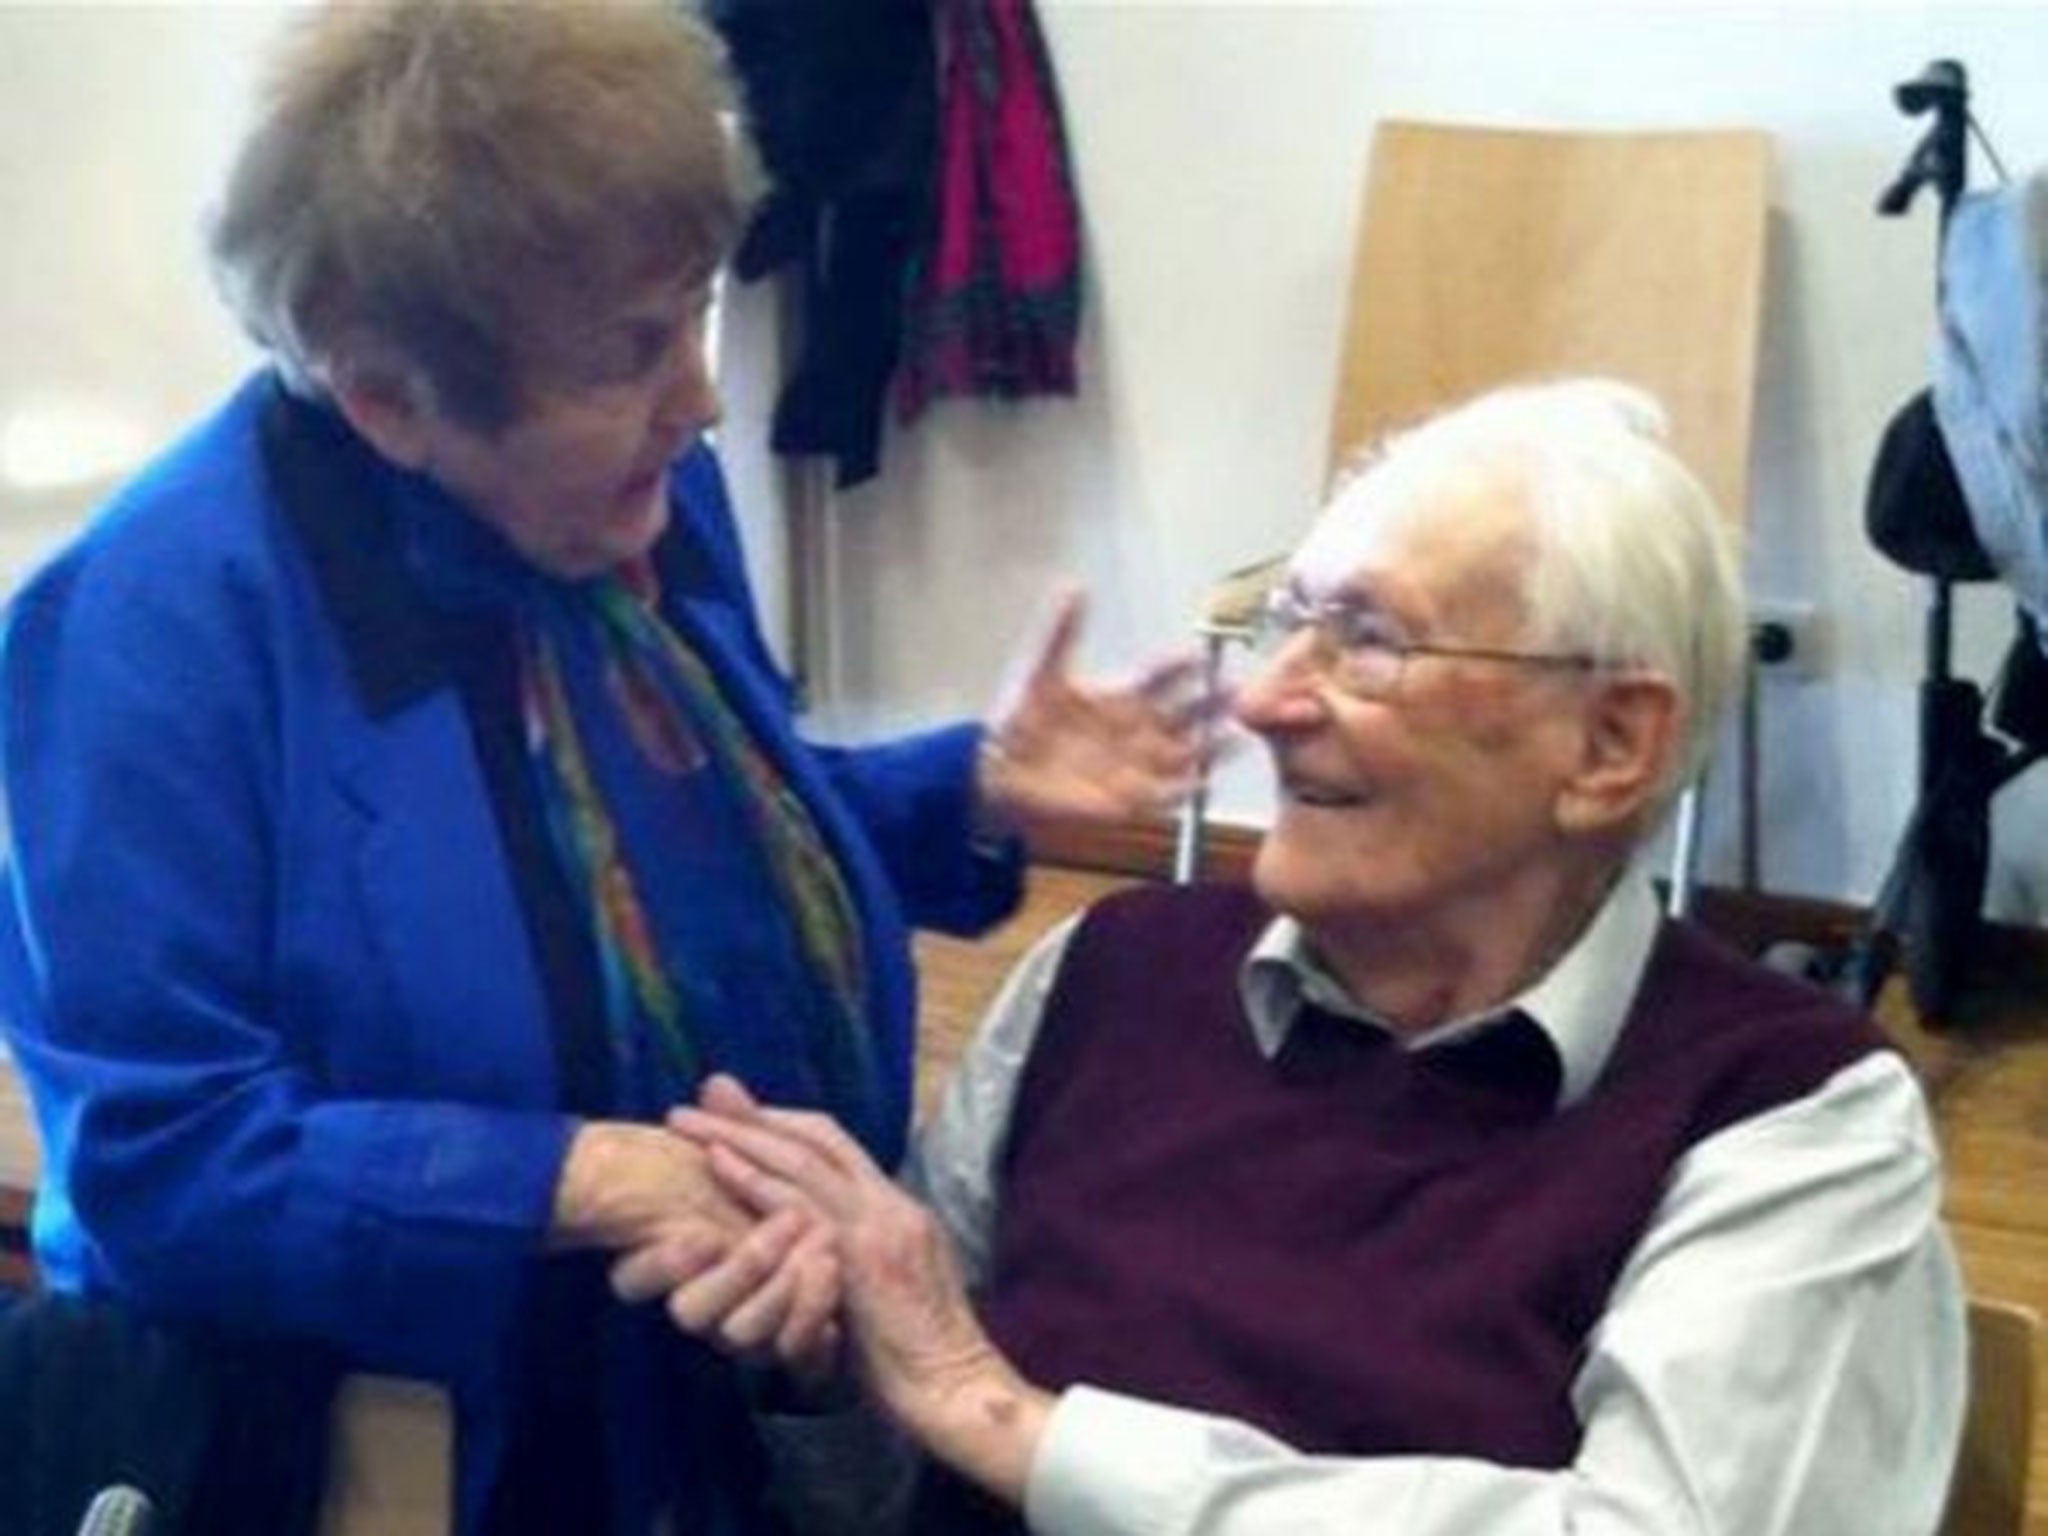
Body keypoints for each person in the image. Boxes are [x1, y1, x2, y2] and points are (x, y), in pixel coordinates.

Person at [0, 4, 1210, 1532]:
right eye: (634, 352)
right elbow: (155, 1170)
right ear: (387, 398)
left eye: (693, 316)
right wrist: (579, 1179)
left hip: (699, 1413)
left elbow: (700, 844)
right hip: (377, 1459)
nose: (700, 400)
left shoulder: (636, 493)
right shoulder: (143, 630)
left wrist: (967, 790)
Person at [643, 379, 1970, 1535]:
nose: (1267, 700)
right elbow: (897, 1485)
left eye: (1372, 641)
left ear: (1610, 746)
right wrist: (822, 1370)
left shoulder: (1791, 1119)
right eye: (1288, 622)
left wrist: (1021, 1428)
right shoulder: (1105, 977)